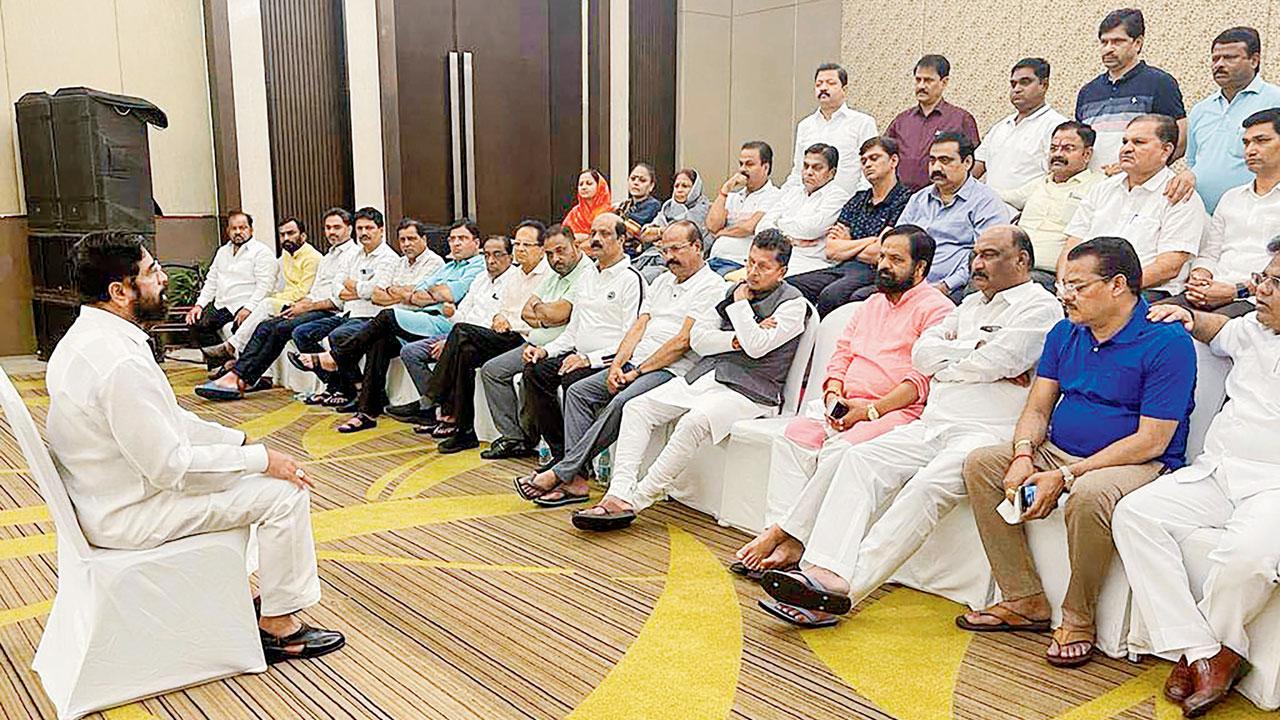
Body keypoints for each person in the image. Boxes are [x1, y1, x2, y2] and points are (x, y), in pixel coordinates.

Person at [50, 232, 344, 663]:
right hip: (130, 513)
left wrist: (238, 441)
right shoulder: (121, 364)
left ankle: (272, 609)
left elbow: (168, 421)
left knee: (265, 478)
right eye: (152, 273)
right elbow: (172, 469)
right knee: (284, 494)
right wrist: (260, 460)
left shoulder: (84, 341)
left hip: (107, 497)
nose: (164, 278)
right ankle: (280, 626)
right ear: (119, 292)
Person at [755, 227, 1063, 628]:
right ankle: (820, 569)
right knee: (859, 459)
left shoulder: (1039, 308)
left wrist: (959, 359)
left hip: (984, 434)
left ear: (1022, 261)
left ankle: (840, 591)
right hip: (933, 424)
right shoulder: (969, 305)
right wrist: (976, 355)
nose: (977, 264)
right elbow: (924, 355)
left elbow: (1002, 360)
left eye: (989, 255)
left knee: (926, 488)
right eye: (975, 254)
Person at [956, 236, 1196, 670]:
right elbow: (1038, 406)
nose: (1064, 295)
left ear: (1118, 285)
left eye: (1078, 286)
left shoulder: (1166, 341)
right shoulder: (1066, 330)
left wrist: (1068, 476)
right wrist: (1025, 454)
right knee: (981, 464)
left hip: (1136, 463)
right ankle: (1023, 597)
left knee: (1090, 495)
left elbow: (1152, 440)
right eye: (1064, 284)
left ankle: (1079, 617)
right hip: (1058, 451)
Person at [733, 225, 956, 583]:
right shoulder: (870, 304)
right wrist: (835, 393)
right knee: (794, 437)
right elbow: (842, 355)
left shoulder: (938, 310)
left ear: (921, 269)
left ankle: (781, 535)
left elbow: (921, 381)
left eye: (896, 260)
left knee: (841, 452)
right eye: (883, 256)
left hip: (896, 413)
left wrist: (869, 411)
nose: (884, 265)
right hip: (845, 406)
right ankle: (783, 543)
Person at [1115, 245, 1280, 717]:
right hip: (1219, 471)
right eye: (1259, 278)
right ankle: (1205, 652)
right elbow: (1215, 327)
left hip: (1274, 487)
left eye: (1273, 283)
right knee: (1134, 515)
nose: (1259, 291)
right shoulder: (1254, 328)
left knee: (1247, 561)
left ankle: (1209, 655)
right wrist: (1182, 312)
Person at [570, 229, 811, 531]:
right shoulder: (730, 292)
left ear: (782, 271)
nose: (752, 272)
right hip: (708, 377)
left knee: (693, 422)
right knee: (637, 407)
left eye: (763, 266)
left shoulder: (793, 304)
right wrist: (737, 338)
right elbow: (699, 340)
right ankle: (618, 491)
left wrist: (738, 307)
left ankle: (637, 499)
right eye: (750, 262)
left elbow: (758, 347)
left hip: (751, 391)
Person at [514, 220, 726, 506]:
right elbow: (638, 326)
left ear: (698, 247)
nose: (669, 257)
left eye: (676, 249)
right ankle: (576, 480)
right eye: (664, 250)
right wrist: (618, 365)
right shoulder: (662, 281)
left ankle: (563, 472)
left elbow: (682, 342)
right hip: (635, 362)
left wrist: (637, 370)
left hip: (670, 370)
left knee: (622, 402)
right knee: (578, 392)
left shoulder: (711, 286)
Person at [291, 219, 485, 431]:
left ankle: (336, 357)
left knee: (386, 316)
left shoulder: (475, 266)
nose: (456, 243)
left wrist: (415, 294)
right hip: (418, 318)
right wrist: (414, 294)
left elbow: (447, 293)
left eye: (462, 239)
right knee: (379, 341)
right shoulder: (448, 266)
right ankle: (367, 412)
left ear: (476, 242)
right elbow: (394, 293)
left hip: (443, 323)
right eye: (452, 239)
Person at [408, 221, 553, 452]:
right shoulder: (516, 275)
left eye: (528, 244)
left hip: (524, 338)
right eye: (518, 244)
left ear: (542, 248)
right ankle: (465, 432)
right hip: (501, 334)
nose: (521, 249)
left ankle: (433, 396)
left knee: (461, 333)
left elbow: (536, 317)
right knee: (463, 352)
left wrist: (506, 320)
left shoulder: (546, 275)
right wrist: (499, 317)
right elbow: (501, 310)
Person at [195, 208, 361, 402]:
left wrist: (305, 306)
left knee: (284, 329)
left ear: (349, 229)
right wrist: (301, 305)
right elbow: (314, 291)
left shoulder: (352, 255)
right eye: (328, 228)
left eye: (337, 227)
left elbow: (340, 299)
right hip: (314, 306)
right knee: (267, 326)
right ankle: (241, 378)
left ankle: (239, 376)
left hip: (331, 312)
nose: (332, 232)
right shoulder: (328, 256)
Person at [521, 213, 646, 466]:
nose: (597, 239)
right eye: (593, 234)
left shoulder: (631, 280)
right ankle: (561, 453)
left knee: (572, 379)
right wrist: (546, 351)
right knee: (535, 371)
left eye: (605, 234)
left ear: (622, 239)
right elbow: (573, 331)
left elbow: (631, 339)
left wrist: (588, 359)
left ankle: (577, 463)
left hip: (607, 362)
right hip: (578, 355)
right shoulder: (588, 276)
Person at [479, 225, 597, 460]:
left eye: (561, 251)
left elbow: (561, 314)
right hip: (534, 342)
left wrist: (543, 314)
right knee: (491, 370)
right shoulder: (554, 274)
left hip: (563, 346)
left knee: (532, 375)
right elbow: (527, 312)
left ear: (575, 244)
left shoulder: (585, 272)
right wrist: (547, 316)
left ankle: (545, 445)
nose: (556, 259)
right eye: (550, 254)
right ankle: (514, 437)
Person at [1063, 115, 1207, 301]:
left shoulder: (1180, 197)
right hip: (1086, 292)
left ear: (1166, 150)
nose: (1127, 148)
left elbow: (1169, 267)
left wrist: (1106, 290)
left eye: (1139, 142)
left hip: (1144, 291)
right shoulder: (1102, 189)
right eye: (1125, 141)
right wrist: (1064, 286)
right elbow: (1071, 246)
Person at [1159, 108, 1280, 318]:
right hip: (1212, 289)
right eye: (1246, 143)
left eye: (1261, 141)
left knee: (1191, 328)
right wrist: (1199, 277)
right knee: (1148, 318)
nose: (1250, 150)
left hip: (1258, 299)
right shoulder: (1231, 198)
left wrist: (1238, 290)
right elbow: (1210, 252)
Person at [787, 136, 912, 316]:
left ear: (893, 161)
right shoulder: (857, 199)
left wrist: (850, 242)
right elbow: (831, 250)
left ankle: (823, 343)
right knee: (791, 288)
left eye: (874, 158)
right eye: (864, 160)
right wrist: (871, 240)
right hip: (842, 266)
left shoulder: (905, 199)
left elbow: (880, 253)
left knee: (831, 295)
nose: (868, 164)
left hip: (875, 272)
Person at [289, 207, 400, 407]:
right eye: (360, 228)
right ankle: (338, 385)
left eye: (369, 228)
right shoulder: (354, 255)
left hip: (370, 316)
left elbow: (377, 292)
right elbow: (336, 286)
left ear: (381, 230)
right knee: (302, 333)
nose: (364, 233)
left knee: (338, 336)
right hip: (347, 312)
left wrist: (353, 286)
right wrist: (359, 289)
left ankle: (356, 388)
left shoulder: (388, 258)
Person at [1168, 27, 1280, 213]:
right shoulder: (1200, 109)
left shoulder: (1275, 100)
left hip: (1257, 216)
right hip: (1201, 215)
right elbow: (1194, 162)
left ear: (1254, 60)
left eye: (1229, 58)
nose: (1219, 64)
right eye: (1215, 58)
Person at [894, 132, 1012, 304]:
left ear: (967, 162)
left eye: (945, 161)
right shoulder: (919, 199)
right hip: (908, 284)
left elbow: (987, 256)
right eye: (932, 161)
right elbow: (897, 243)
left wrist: (946, 285)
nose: (936, 168)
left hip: (953, 288)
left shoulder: (986, 201)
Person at [200, 216, 322, 377]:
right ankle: (241, 370)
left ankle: (233, 352)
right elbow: (213, 279)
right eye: (282, 234)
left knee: (263, 312)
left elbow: (303, 291)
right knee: (206, 324)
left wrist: (272, 299)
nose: (286, 238)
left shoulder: (312, 257)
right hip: (277, 303)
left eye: (291, 233)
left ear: (303, 235)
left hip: (304, 306)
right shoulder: (285, 256)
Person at [1075, 8, 1186, 172]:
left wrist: (1139, 171)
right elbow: (1080, 143)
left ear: (1138, 43)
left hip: (1140, 188)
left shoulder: (1160, 83)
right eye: (1104, 42)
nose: (1108, 49)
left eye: (1117, 41)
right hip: (1095, 188)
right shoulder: (1088, 92)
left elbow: (1180, 139)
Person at [1003, 121, 1104, 290]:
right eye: (1053, 148)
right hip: (1012, 266)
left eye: (1067, 148)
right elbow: (1001, 196)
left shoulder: (1098, 186)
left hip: (1048, 275)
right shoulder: (1039, 183)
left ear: (1087, 154)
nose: (1057, 154)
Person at [185, 210, 276, 364]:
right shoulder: (222, 252)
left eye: (243, 228)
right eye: (234, 228)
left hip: (244, 303)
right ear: (228, 231)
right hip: (222, 304)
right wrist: (199, 305)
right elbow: (211, 281)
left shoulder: (261, 252)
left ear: (251, 230)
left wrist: (249, 308)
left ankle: (237, 366)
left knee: (237, 329)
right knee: (195, 323)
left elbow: (265, 286)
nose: (238, 232)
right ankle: (220, 364)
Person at [973, 58, 1068, 200]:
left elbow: (1058, 178)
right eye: (1013, 84)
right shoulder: (1000, 127)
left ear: (1044, 85)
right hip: (989, 212)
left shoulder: (1058, 127)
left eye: (1025, 82)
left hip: (1027, 215)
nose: (1017, 89)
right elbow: (976, 167)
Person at [885, 55, 980, 191]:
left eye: (928, 80)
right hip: (901, 201)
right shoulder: (901, 120)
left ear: (944, 82)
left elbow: (974, 162)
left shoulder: (961, 119)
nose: (921, 86)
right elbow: (885, 156)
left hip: (943, 200)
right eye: (918, 80)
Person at [755, 143, 851, 277]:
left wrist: (779, 223)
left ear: (832, 173)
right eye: (806, 166)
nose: (809, 172)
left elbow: (810, 229)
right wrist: (789, 239)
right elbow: (761, 227)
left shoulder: (838, 197)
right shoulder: (793, 193)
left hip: (811, 265)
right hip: (778, 260)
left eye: (817, 168)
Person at [782, 63, 878, 196]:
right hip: (808, 205)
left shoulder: (863, 123)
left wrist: (858, 204)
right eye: (819, 84)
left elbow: (870, 169)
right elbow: (798, 170)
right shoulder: (805, 125)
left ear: (845, 90)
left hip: (847, 205)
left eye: (830, 83)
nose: (823, 88)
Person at [706, 141, 783, 275]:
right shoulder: (734, 196)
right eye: (741, 164)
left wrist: (721, 233)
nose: (742, 169)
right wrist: (724, 191)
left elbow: (748, 228)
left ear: (765, 167)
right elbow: (712, 226)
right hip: (714, 259)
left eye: (749, 164)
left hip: (739, 264)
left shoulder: (775, 196)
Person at [639, 168, 712, 265]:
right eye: (676, 186)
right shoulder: (668, 206)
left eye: (685, 186)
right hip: (654, 254)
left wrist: (660, 235)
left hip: (681, 262)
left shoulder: (704, 210)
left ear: (695, 189)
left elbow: (696, 240)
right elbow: (645, 234)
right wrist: (664, 233)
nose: (679, 190)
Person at [615, 163, 662, 245]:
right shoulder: (624, 205)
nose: (636, 183)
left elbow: (633, 227)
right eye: (633, 179)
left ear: (651, 185)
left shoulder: (653, 205)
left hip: (640, 251)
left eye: (642, 180)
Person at [563, 169, 613, 240]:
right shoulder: (575, 213)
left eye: (589, 183)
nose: (584, 187)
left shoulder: (609, 213)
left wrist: (586, 238)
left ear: (600, 186)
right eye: (580, 184)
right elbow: (563, 236)